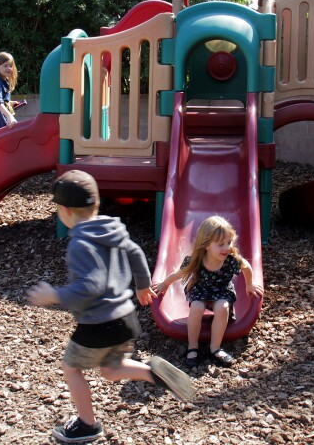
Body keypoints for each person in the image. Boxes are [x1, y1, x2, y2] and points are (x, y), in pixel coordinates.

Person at [27, 170, 194, 443]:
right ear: (96, 205)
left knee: (71, 368)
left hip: (98, 324)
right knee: (111, 369)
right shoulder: (111, 229)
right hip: (124, 317)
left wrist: (54, 295)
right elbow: (136, 252)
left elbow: (90, 287)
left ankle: (87, 425)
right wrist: (142, 285)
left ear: (65, 211)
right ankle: (154, 373)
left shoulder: (80, 243)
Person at [152, 216, 264, 368]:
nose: (226, 248)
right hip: (200, 289)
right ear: (206, 245)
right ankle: (193, 346)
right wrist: (164, 284)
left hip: (222, 289)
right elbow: (180, 273)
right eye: (220, 244)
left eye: (229, 242)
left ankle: (215, 348)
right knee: (197, 307)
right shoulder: (197, 260)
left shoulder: (231, 259)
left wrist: (249, 284)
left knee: (222, 306)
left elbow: (246, 267)